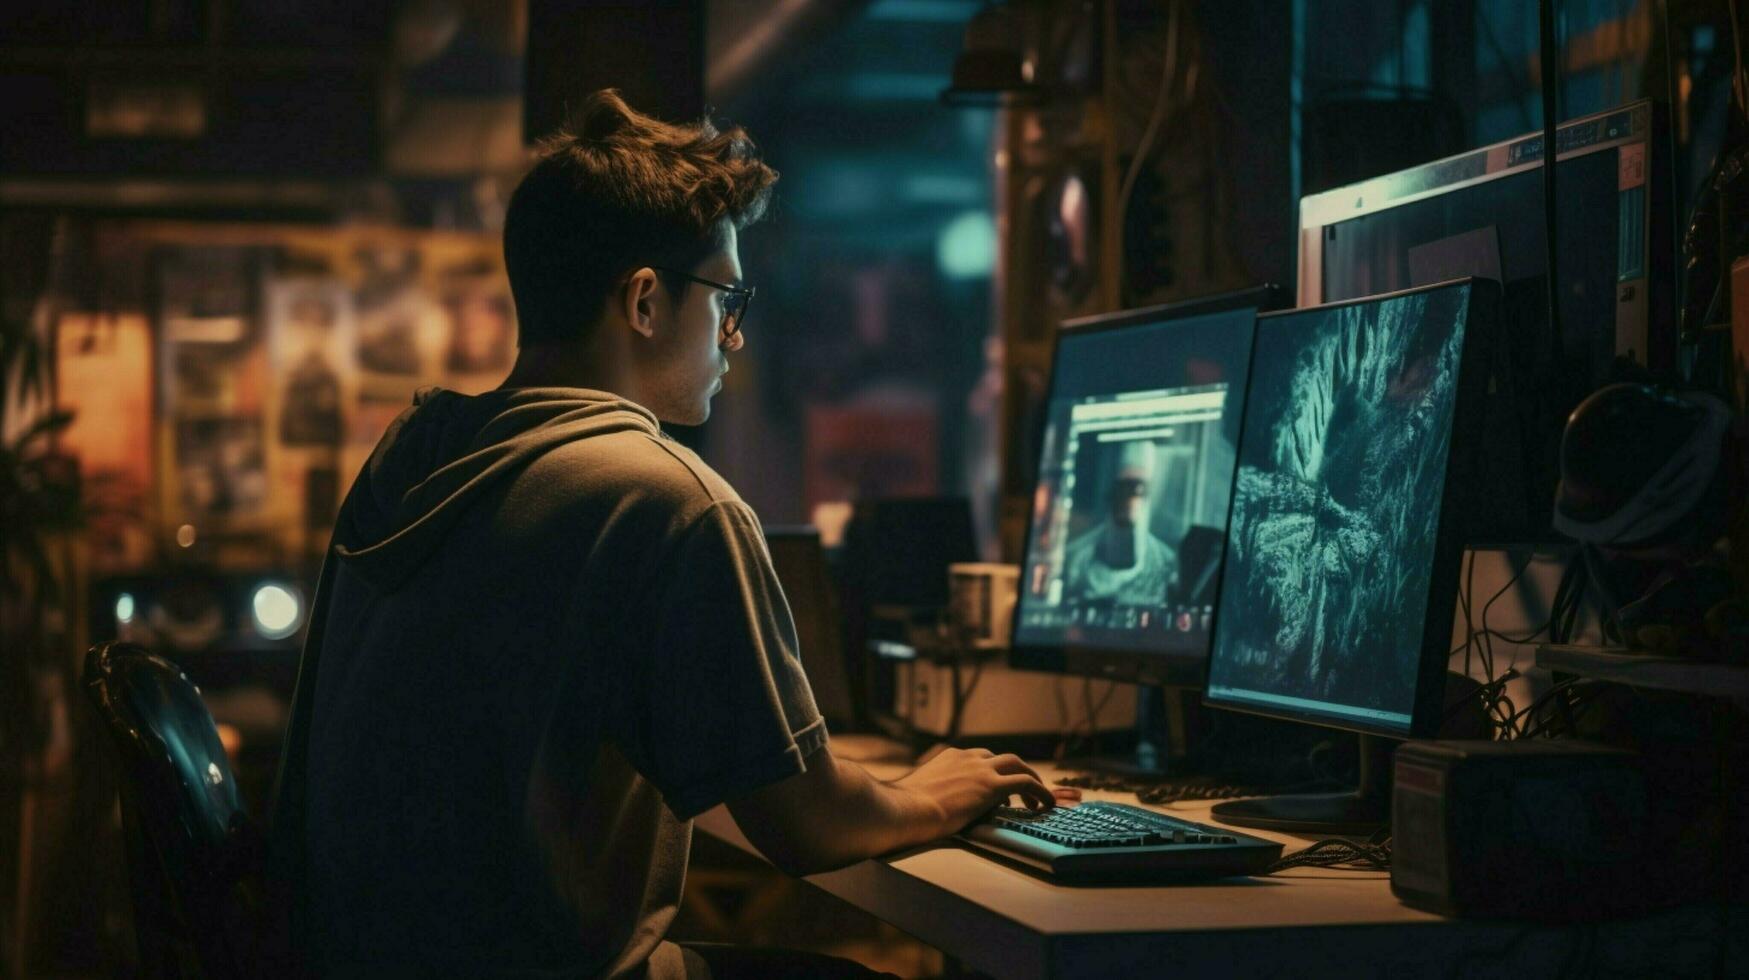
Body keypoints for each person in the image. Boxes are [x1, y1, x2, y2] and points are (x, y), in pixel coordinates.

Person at [271, 89, 1068, 979]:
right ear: (645, 301)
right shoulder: (666, 498)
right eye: (725, 296)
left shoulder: (412, 452)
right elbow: (805, 825)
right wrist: (927, 792)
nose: (733, 337)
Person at [1062, 439, 1177, 606]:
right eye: (1123, 487)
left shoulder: (1166, 564)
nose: (1130, 498)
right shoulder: (1076, 559)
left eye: (1138, 488)